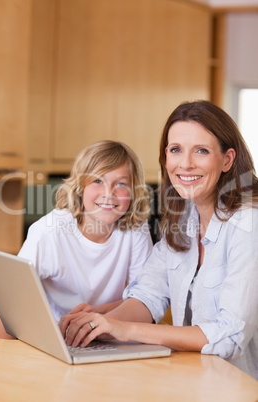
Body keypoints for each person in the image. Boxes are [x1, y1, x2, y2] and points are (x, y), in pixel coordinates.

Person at [59, 101, 258, 380]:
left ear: (227, 160)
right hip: (194, 383)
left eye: (201, 151)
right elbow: (148, 294)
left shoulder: (249, 225)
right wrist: (101, 325)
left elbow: (229, 336)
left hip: (242, 387)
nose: (185, 163)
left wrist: (125, 330)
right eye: (176, 150)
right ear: (165, 156)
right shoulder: (182, 215)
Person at [0, 140, 153, 338]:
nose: (108, 193)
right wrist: (8, 358)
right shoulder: (49, 232)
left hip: (110, 337)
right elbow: (8, 298)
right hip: (56, 339)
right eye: (97, 181)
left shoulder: (135, 229)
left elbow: (145, 298)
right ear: (80, 187)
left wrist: (99, 312)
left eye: (121, 184)